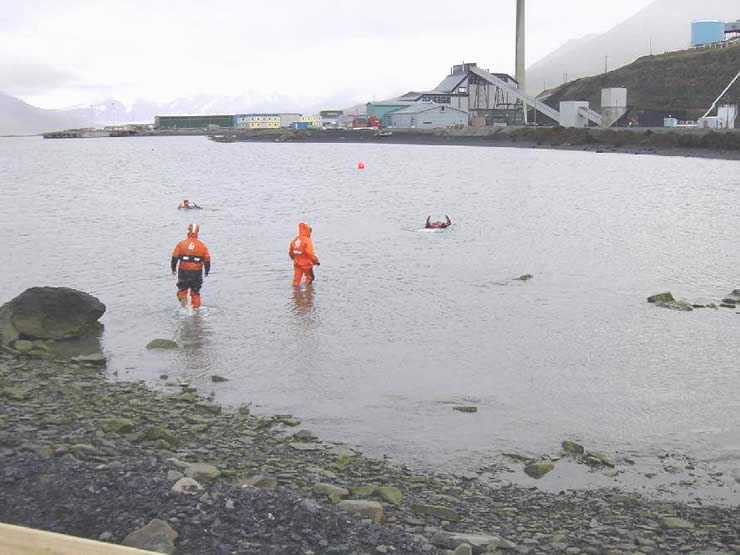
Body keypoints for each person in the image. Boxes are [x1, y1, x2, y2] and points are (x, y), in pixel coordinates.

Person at [171, 223, 211, 308]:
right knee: (195, 292)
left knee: (182, 290)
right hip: (197, 272)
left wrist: (173, 268)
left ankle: (184, 308)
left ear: (188, 232)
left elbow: (174, 257)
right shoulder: (202, 246)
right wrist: (207, 271)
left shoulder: (181, 244)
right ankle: (196, 312)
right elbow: (207, 259)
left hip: (184, 271)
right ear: (197, 232)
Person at [289, 222, 320, 287]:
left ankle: (296, 293)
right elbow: (310, 253)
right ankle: (308, 293)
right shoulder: (307, 240)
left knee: (296, 279)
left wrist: (295, 259)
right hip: (306, 263)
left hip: (297, 263)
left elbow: (290, 252)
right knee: (310, 277)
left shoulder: (295, 239)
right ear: (308, 231)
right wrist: (316, 261)